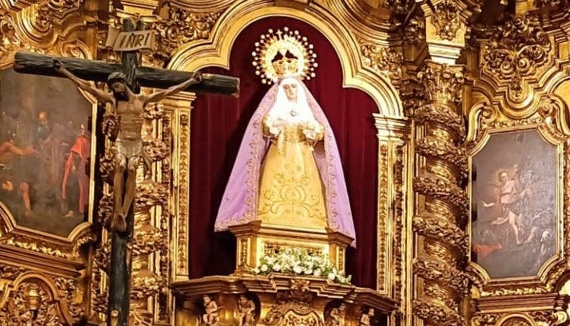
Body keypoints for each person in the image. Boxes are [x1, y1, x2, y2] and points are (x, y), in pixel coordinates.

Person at [53, 60, 204, 233]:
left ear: (124, 84)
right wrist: (65, 71)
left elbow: (169, 91)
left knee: (131, 170)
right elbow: (88, 88)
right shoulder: (114, 100)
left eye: (118, 87)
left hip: (135, 142)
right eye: (114, 88)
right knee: (120, 166)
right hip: (122, 141)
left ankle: (123, 211)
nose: (117, 90)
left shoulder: (142, 99)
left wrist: (191, 81)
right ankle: (118, 207)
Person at [215, 73, 356, 245]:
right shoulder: (275, 111)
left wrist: (311, 129)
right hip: (279, 155)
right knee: (272, 191)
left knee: (308, 196)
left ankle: (312, 226)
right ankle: (269, 223)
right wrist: (274, 126)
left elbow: (321, 132)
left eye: (293, 87)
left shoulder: (307, 112)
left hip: (304, 159)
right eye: (287, 88)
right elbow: (265, 128)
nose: (290, 90)